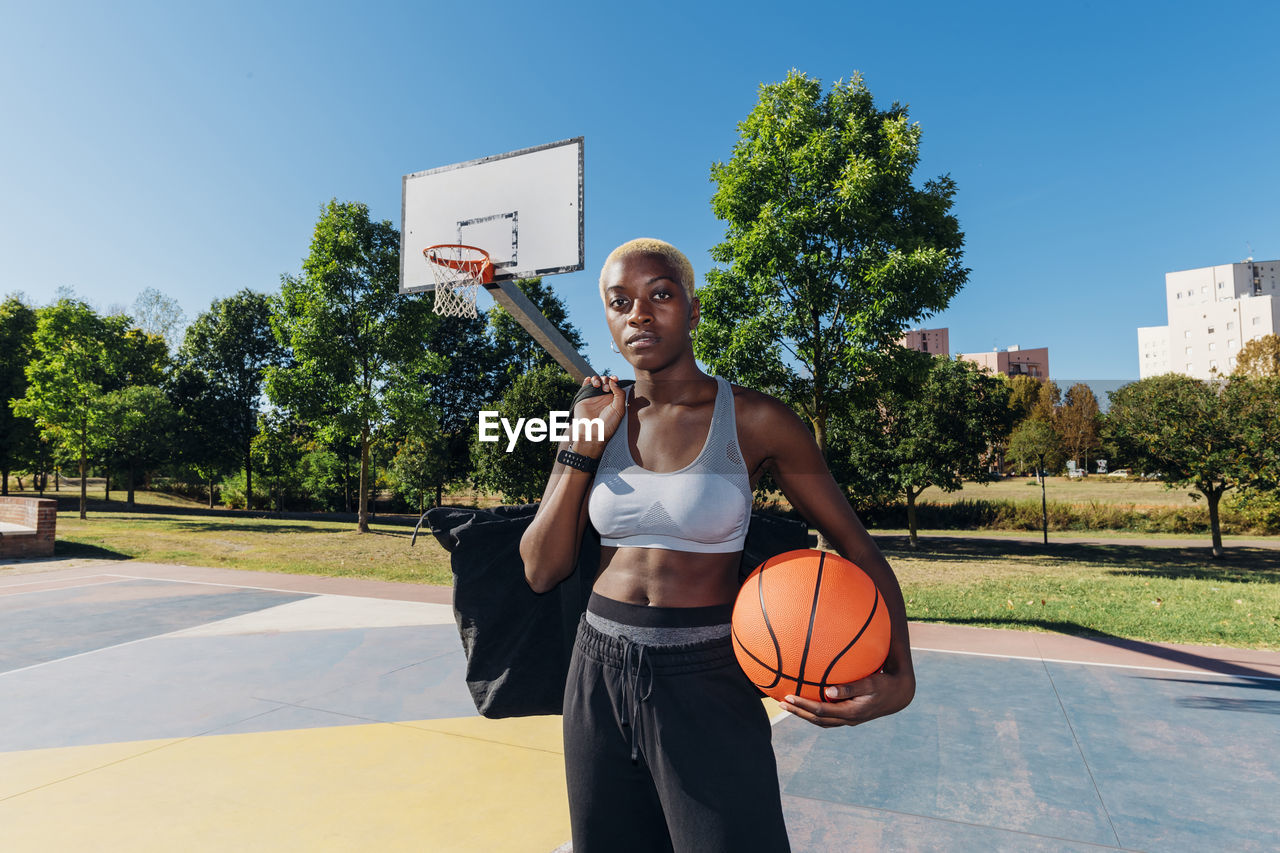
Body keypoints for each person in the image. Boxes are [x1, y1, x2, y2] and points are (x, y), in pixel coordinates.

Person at [520, 238, 915, 852]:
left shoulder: (759, 420)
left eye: (660, 295)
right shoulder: (598, 415)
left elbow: (857, 549)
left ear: (693, 310)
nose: (639, 314)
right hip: (596, 668)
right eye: (620, 302)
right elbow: (542, 569)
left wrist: (902, 676)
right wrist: (581, 447)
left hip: (705, 672)